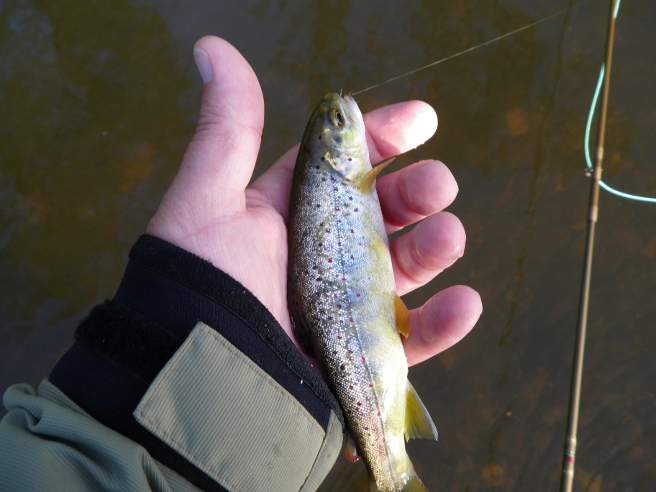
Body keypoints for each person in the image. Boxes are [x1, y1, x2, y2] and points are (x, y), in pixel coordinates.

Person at [0, 36, 481, 491]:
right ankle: (393, 470)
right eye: (336, 123)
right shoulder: (355, 179)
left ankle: (389, 463)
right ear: (342, 158)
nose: (341, 114)